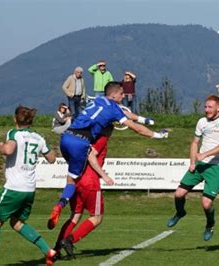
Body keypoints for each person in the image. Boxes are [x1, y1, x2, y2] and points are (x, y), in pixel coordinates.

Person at [47, 81, 168, 230]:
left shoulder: (98, 99)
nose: (123, 96)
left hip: (65, 138)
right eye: (121, 94)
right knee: (74, 181)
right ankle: (59, 205)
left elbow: (125, 113)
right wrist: (157, 135)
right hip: (80, 142)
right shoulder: (113, 108)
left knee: (71, 179)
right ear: (114, 95)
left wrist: (144, 119)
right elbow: (135, 128)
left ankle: (63, 206)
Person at [0, 106, 57, 266]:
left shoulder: (14, 133)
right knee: (16, 223)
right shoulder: (39, 137)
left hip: (14, 188)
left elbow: (9, 149)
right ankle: (48, 251)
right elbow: (52, 158)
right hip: (29, 189)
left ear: (15, 119)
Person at [166, 95, 219, 241]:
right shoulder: (201, 122)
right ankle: (180, 213)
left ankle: (210, 225)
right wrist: (192, 162)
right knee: (178, 194)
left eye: (210, 107)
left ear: (218, 108)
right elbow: (195, 143)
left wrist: (205, 154)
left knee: (206, 203)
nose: (207, 110)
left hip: (217, 166)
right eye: (205, 107)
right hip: (200, 164)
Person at [54, 126, 113, 259]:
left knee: (75, 215)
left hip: (77, 178)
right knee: (97, 217)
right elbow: (91, 155)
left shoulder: (84, 137)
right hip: (90, 181)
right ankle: (70, 240)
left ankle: (56, 249)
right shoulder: (101, 137)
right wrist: (103, 175)